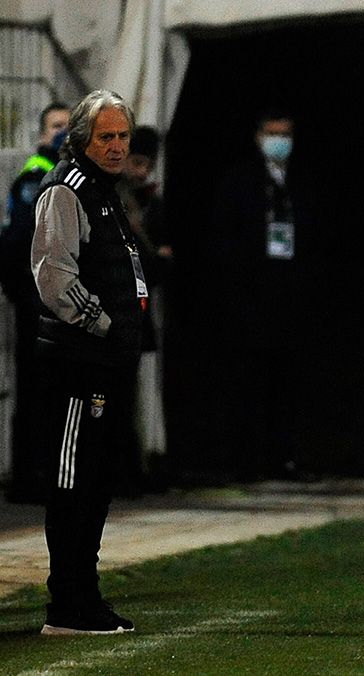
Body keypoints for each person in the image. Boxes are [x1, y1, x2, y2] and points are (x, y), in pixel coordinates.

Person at [31, 90, 145, 634]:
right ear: (81, 139)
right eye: (106, 137)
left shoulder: (103, 190)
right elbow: (54, 278)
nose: (117, 146)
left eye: (123, 136)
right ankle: (68, 604)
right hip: (79, 364)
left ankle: (84, 597)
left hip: (105, 363)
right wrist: (103, 325)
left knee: (96, 482)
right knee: (73, 482)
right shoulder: (66, 190)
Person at [209, 110, 311, 483]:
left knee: (287, 385)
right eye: (272, 133)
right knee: (248, 383)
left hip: (289, 300)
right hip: (251, 300)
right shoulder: (240, 182)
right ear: (257, 136)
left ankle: (283, 458)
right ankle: (245, 460)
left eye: (285, 133)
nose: (279, 140)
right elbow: (225, 241)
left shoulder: (298, 182)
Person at [1, 101, 70, 504]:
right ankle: (31, 476)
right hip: (39, 299)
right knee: (36, 390)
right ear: (44, 133)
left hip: (58, 300)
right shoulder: (37, 175)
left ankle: (51, 474)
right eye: (56, 126)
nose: (62, 132)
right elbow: (23, 240)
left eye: (68, 125)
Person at [115, 126, 171, 493]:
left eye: (145, 164)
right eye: (135, 162)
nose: (140, 171)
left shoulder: (150, 200)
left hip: (133, 311)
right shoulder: (112, 198)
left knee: (128, 393)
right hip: (114, 311)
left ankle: (130, 468)